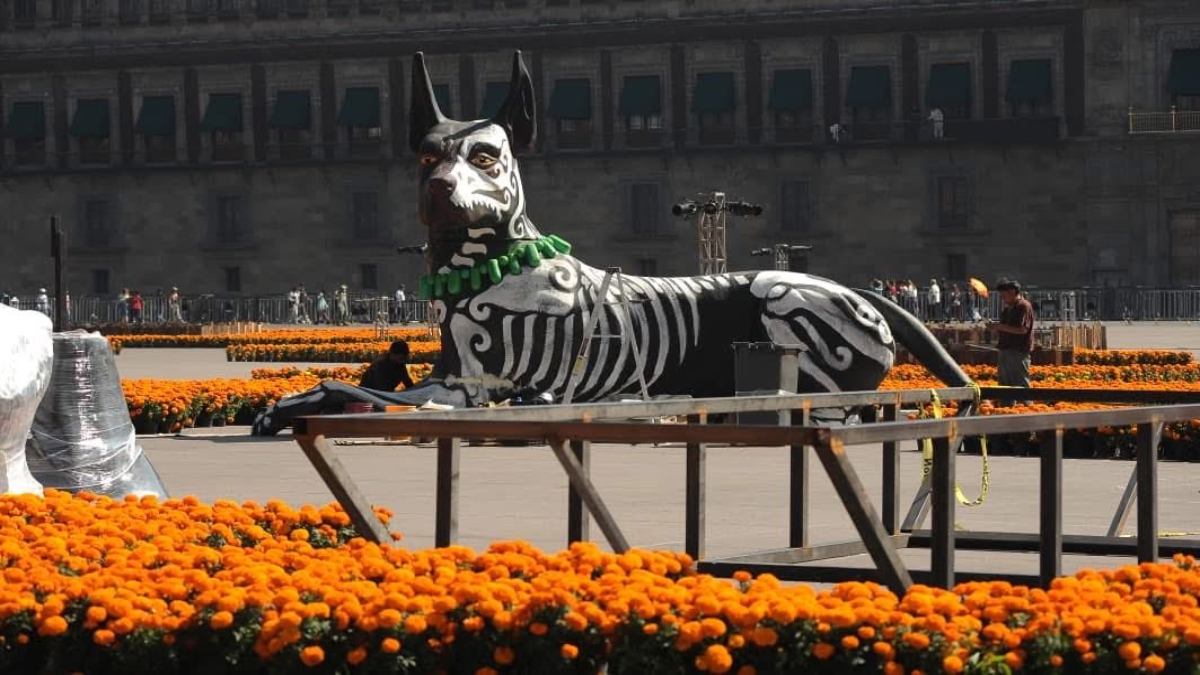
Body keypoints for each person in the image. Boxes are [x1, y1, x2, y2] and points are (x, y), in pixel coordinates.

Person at [988, 279, 1034, 407]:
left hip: (1018, 351)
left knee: (1020, 383)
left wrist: (1000, 326)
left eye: (1003, 295)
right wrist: (995, 327)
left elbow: (1022, 330)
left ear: (1012, 292)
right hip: (1005, 350)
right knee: (1004, 384)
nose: (1002, 298)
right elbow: (1006, 328)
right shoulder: (1008, 309)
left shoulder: (1023, 306)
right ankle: (1006, 410)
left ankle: (1027, 410)